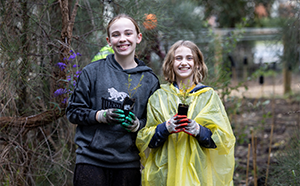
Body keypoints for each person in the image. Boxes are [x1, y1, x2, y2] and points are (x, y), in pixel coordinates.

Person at [66, 14, 160, 186]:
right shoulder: (91, 72)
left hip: (128, 164)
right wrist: (99, 115)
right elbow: (72, 112)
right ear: (109, 41)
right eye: (116, 35)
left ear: (138, 37)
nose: (122, 39)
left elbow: (154, 124)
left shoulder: (150, 80)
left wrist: (138, 125)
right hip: (90, 161)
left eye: (128, 33)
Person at [136, 40, 235, 186]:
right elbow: (144, 139)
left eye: (189, 58)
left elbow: (224, 139)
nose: (184, 63)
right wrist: (165, 128)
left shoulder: (208, 96)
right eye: (178, 58)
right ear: (170, 63)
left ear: (197, 64)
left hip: (198, 172)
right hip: (165, 172)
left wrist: (199, 131)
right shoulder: (159, 97)